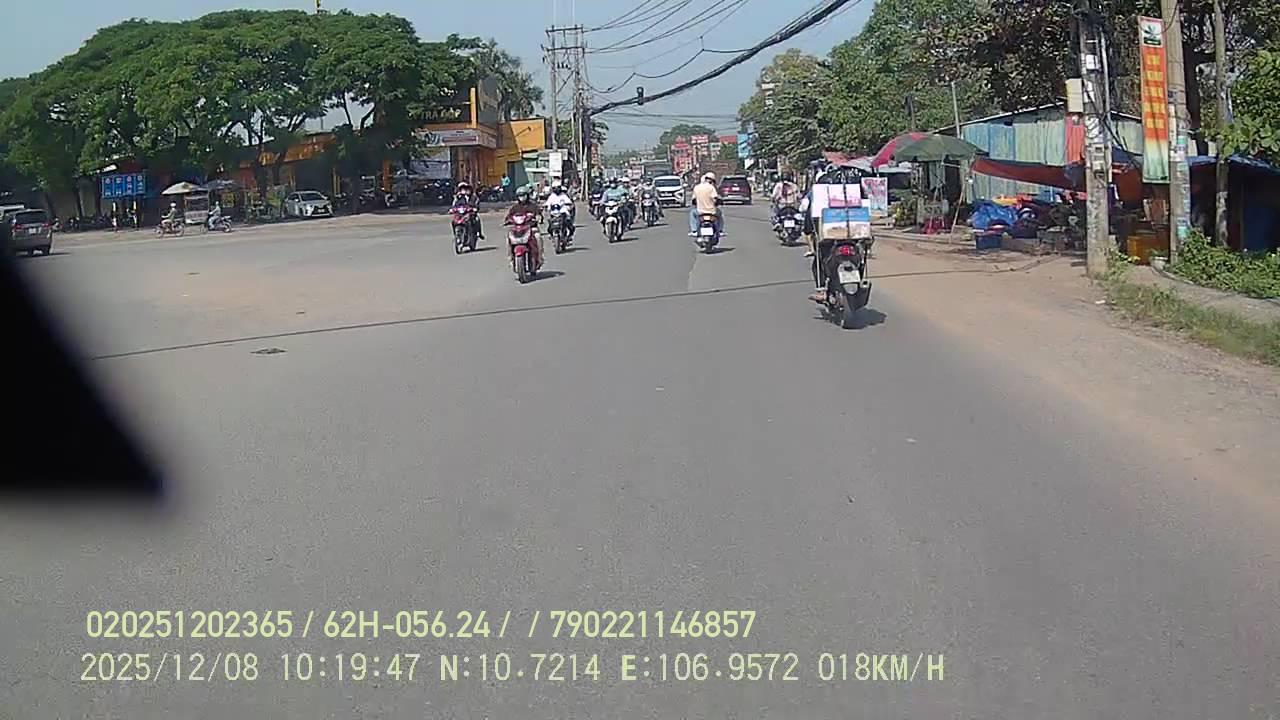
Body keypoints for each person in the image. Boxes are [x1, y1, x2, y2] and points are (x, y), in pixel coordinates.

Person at [505, 187, 543, 270]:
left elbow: (538, 214)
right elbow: (509, 216)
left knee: (538, 237)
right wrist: (507, 220)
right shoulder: (515, 207)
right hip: (518, 229)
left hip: (531, 228)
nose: (521, 197)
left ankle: (539, 258)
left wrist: (538, 218)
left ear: (527, 195)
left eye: (523, 195)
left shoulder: (533, 206)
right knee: (508, 239)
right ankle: (511, 259)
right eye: (520, 196)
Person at [688, 172, 723, 237]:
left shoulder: (697, 187)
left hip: (700, 211)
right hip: (712, 211)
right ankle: (720, 230)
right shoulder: (711, 188)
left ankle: (694, 230)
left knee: (692, 213)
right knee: (719, 214)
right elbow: (715, 198)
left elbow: (693, 200)